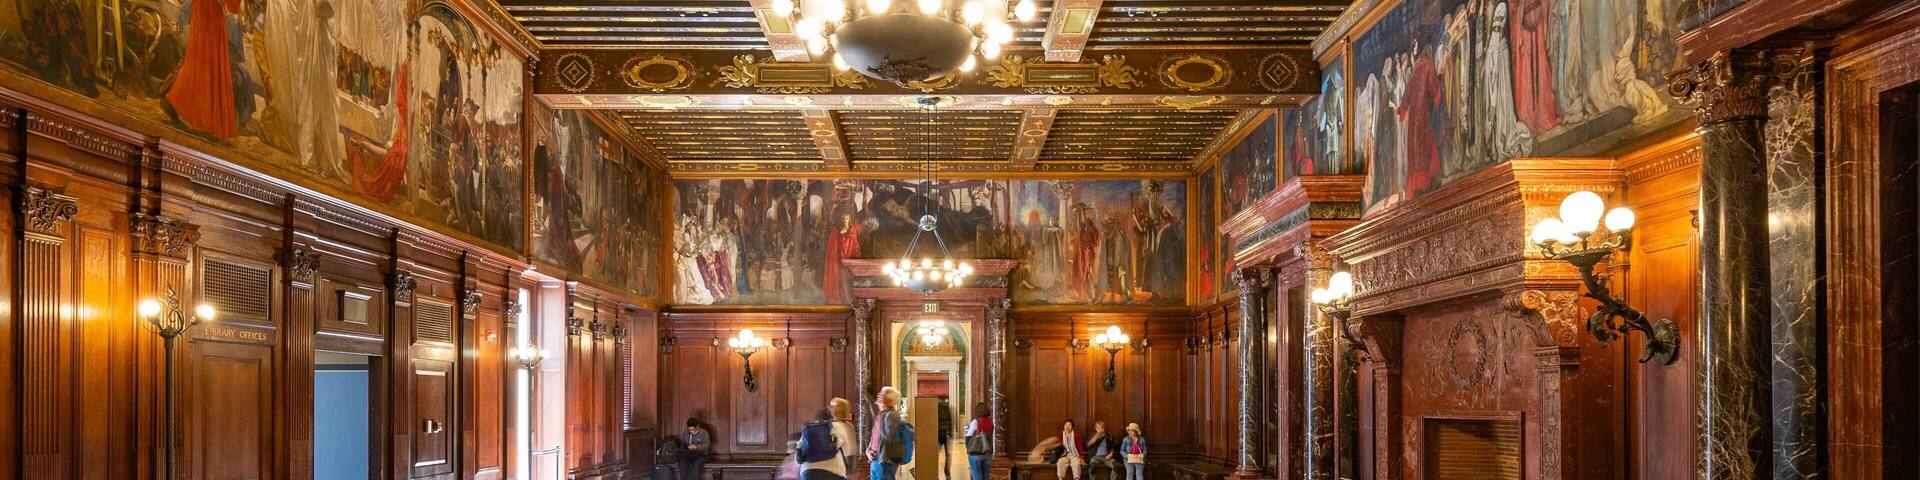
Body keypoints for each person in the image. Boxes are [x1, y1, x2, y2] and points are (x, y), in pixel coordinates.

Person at [867, 387, 912, 480]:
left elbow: (888, 438)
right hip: (875, 460)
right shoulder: (881, 414)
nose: (879, 395)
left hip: (884, 463)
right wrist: (869, 451)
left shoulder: (891, 415)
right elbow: (875, 437)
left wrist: (882, 459)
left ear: (890, 400)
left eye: (883, 394)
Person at [798, 409, 848, 480]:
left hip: (808, 472)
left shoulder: (808, 430)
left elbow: (798, 458)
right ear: (831, 418)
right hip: (833, 472)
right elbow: (847, 449)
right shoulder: (836, 427)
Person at [964, 402, 994, 480]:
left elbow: (969, 435)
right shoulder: (990, 423)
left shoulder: (975, 422)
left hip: (975, 453)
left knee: (977, 477)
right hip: (987, 453)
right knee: (986, 477)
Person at [830, 398, 859, 473]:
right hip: (851, 461)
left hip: (841, 463)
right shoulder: (849, 425)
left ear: (840, 408)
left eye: (834, 406)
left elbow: (833, 446)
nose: (831, 408)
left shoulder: (834, 426)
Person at [936, 397, 956, 480]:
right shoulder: (946, 408)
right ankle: (947, 472)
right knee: (948, 454)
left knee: (935, 455)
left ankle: (935, 472)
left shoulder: (934, 408)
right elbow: (950, 421)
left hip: (938, 435)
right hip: (945, 434)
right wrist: (951, 433)